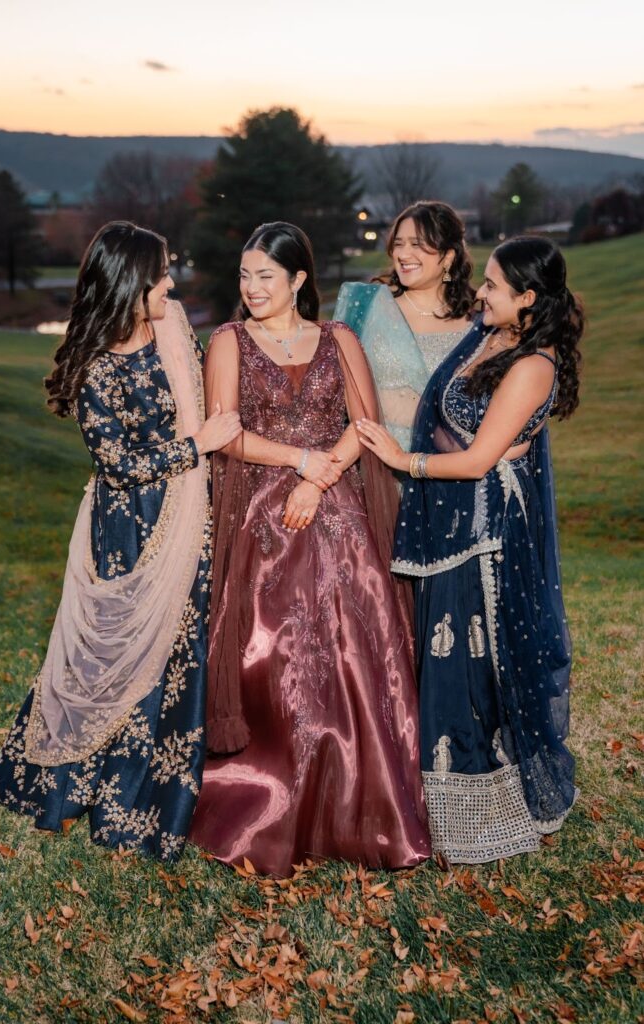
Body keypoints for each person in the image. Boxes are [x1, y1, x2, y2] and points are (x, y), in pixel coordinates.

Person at [0, 221, 241, 861]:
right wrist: (196, 446)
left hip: (190, 514)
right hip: (131, 526)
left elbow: (208, 393)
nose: (170, 285)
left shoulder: (173, 330)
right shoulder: (97, 366)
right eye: (160, 276)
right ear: (130, 283)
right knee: (118, 649)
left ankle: (166, 792)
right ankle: (91, 787)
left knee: (180, 644)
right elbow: (118, 463)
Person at [188, 221, 431, 876]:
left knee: (355, 635)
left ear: (297, 279)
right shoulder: (228, 341)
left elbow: (363, 423)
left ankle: (363, 801)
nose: (252, 287)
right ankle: (271, 793)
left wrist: (319, 479)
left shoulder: (339, 338)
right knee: (276, 647)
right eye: (244, 275)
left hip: (336, 501)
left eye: (265, 275)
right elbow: (225, 435)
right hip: (263, 509)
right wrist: (299, 463)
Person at [356, 236, 582, 863]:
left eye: (493, 286)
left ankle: (480, 817)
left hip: (485, 532)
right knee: (440, 655)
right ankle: (432, 803)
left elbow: (480, 458)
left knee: (472, 664)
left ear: (528, 298)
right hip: (450, 520)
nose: (481, 293)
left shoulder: (532, 366)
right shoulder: (489, 337)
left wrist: (403, 460)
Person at [334, 201, 475, 451]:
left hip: (445, 464)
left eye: (417, 244)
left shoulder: (474, 323)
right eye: (399, 244)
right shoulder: (366, 308)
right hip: (371, 460)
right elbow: (333, 387)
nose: (403, 254)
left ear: (448, 257)